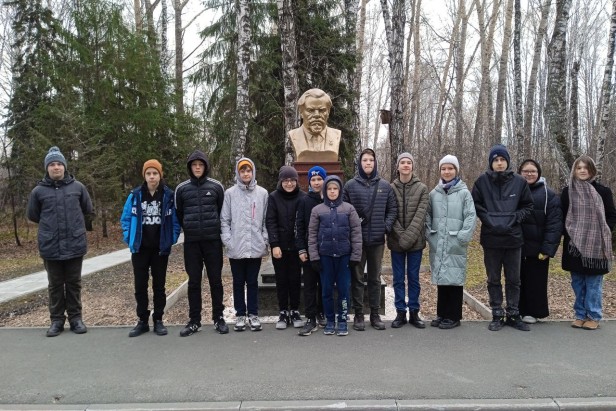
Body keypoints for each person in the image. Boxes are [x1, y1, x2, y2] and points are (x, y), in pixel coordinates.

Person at [27, 146, 94, 337]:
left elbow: (87, 209)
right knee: (55, 285)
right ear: (47, 168)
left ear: (64, 166)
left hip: (75, 244)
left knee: (74, 283)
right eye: (52, 164)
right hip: (50, 246)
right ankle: (56, 320)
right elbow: (34, 215)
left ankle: (76, 318)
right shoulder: (38, 191)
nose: (56, 167)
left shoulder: (78, 188)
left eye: (59, 164)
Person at [471, 144, 533, 331]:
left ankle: (513, 313)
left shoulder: (519, 182)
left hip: (513, 238)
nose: (499, 163)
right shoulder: (481, 182)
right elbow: (476, 205)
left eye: (502, 160)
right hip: (491, 239)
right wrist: (489, 220)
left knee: (514, 279)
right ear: (491, 163)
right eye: (496, 160)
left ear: (507, 162)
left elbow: (527, 206)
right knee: (493, 279)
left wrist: (514, 219)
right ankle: (497, 313)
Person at [120, 159, 181, 337]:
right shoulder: (135, 195)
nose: (152, 176)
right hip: (140, 248)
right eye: (149, 173)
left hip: (160, 249)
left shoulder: (168, 196)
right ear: (144, 176)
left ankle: (158, 320)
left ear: (160, 175)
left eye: (155, 173)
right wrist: (129, 238)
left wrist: (171, 238)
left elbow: (176, 221)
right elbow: (125, 219)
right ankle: (142, 321)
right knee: (140, 285)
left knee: (159, 285)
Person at [343, 148, 397, 331]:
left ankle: (375, 314)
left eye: (371, 160)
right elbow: (344, 210)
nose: (368, 163)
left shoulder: (385, 186)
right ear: (360, 163)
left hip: (376, 241)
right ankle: (358, 314)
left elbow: (392, 210)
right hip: (356, 241)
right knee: (357, 278)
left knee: (374, 278)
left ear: (375, 163)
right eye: (365, 160)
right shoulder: (350, 186)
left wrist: (385, 227)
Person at [175, 150, 227, 336]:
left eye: (201, 164)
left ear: (205, 166)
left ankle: (218, 318)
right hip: (192, 243)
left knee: (215, 281)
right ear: (190, 167)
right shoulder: (181, 189)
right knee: (194, 282)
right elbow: (179, 214)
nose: (197, 167)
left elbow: (222, 212)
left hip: (213, 241)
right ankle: (194, 320)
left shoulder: (216, 187)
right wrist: (189, 228)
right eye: (194, 165)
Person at [561, 155, 616, 330]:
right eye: (579, 168)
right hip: (574, 245)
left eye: (586, 167)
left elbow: (611, 214)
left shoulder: (603, 191)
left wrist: (602, 232)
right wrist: (571, 234)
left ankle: (593, 315)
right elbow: (562, 216)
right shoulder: (567, 191)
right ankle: (580, 314)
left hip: (596, 245)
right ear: (574, 171)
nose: (582, 170)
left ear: (592, 170)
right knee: (577, 282)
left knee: (593, 283)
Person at [426, 155, 477, 329]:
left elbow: (471, 216)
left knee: (454, 279)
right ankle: (442, 313)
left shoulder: (464, 193)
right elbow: (427, 215)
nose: (447, 172)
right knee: (442, 279)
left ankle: (454, 316)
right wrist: (429, 233)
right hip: (438, 241)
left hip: (456, 241)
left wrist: (463, 236)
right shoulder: (434, 193)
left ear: (456, 170)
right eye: (444, 169)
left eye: (450, 168)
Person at [308, 175, 362, 336]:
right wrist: (314, 257)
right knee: (326, 290)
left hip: (344, 256)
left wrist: (355, 256)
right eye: (329, 189)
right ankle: (330, 320)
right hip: (325, 257)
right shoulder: (317, 210)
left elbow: (356, 234)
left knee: (344, 289)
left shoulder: (349, 209)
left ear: (340, 190)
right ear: (325, 191)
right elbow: (312, 235)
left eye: (335, 189)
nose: (332, 192)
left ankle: (343, 320)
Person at [221, 157, 269, 332]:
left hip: (255, 246)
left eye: (248, 170)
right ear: (238, 173)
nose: (246, 174)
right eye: (243, 171)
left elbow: (265, 220)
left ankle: (253, 314)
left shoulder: (262, 193)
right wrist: (228, 240)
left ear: (253, 172)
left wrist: (264, 239)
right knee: (238, 281)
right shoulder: (230, 194)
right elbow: (225, 220)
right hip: (236, 246)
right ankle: (240, 314)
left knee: (253, 282)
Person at [517, 159, 563, 324]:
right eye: (526, 171)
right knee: (517, 279)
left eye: (533, 171)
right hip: (516, 246)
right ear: (520, 173)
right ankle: (517, 310)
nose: (529, 174)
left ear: (539, 173)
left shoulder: (548, 194)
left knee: (536, 281)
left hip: (538, 248)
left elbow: (555, 224)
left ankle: (533, 311)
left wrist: (548, 249)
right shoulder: (514, 191)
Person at [387, 152, 429, 329]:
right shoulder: (390, 188)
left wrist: (409, 237)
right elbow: (389, 213)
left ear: (412, 166)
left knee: (413, 277)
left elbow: (420, 215)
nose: (405, 165)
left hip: (416, 243)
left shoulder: (422, 188)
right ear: (398, 167)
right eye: (402, 162)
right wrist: (401, 236)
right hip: (396, 242)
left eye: (408, 163)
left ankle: (414, 312)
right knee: (397, 279)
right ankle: (400, 312)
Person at [266, 166, 306, 329]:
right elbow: (271, 221)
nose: (289, 183)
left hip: (297, 247)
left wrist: (301, 245)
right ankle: (283, 311)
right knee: (281, 280)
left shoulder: (303, 197)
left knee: (295, 279)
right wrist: (274, 244)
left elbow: (303, 223)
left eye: (292, 180)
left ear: (296, 181)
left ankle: (295, 310)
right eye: (285, 180)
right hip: (280, 247)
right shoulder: (274, 197)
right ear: (281, 181)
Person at [296, 165, 328, 335]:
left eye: (319, 179)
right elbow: (299, 226)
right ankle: (310, 317)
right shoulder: (304, 201)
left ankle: (322, 312)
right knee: (309, 285)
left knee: (324, 284)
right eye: (313, 180)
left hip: (327, 251)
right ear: (309, 182)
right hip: (309, 251)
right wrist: (301, 249)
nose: (316, 183)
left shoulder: (331, 199)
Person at [288, 88, 341, 163]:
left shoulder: (336, 135)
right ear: (301, 112)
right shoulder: (294, 135)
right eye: (310, 110)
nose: (317, 115)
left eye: (322, 110)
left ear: (328, 112)